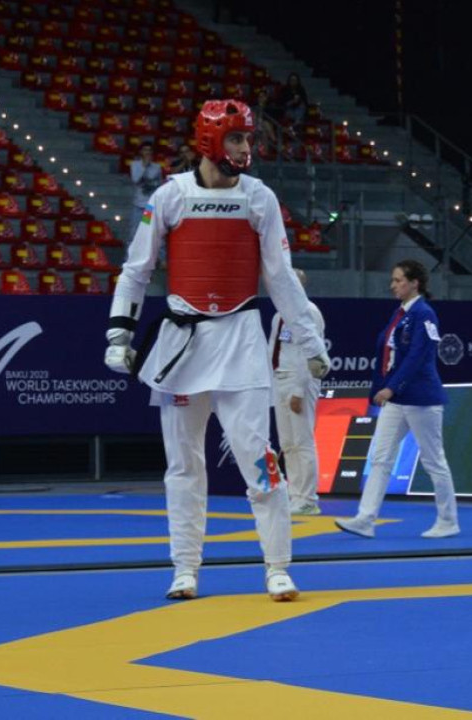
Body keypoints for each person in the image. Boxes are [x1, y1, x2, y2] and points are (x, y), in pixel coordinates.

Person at [104, 99, 328, 602]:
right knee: (183, 466)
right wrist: (118, 333)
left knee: (260, 459)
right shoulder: (169, 196)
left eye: (247, 139)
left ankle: (277, 568)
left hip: (242, 343)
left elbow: (281, 277)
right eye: (236, 138)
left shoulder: (260, 199)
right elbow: (136, 270)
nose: (246, 148)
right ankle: (185, 569)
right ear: (209, 141)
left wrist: (310, 341)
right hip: (182, 348)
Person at [335, 260, 460, 539]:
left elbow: (418, 356)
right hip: (398, 398)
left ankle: (449, 520)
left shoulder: (424, 314)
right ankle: (365, 519)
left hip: (421, 398)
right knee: (380, 457)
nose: (393, 285)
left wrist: (391, 388)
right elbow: (388, 357)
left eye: (398, 280)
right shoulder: (400, 313)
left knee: (433, 460)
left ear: (415, 283)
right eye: (393, 280)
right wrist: (384, 389)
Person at [268, 268, 331, 515]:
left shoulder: (309, 313)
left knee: (302, 440)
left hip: (300, 380)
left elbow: (311, 353)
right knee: (287, 443)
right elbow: (271, 351)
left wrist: (298, 390)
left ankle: (308, 498)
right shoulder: (278, 315)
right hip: (279, 379)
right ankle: (294, 495)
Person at [129, 143, 163, 242]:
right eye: (145, 150)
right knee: (134, 232)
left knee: (147, 230)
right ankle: (130, 256)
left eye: (149, 150)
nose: (147, 152)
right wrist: (145, 166)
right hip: (137, 205)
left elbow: (159, 184)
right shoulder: (135, 164)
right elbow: (136, 179)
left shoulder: (156, 167)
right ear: (141, 152)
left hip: (149, 206)